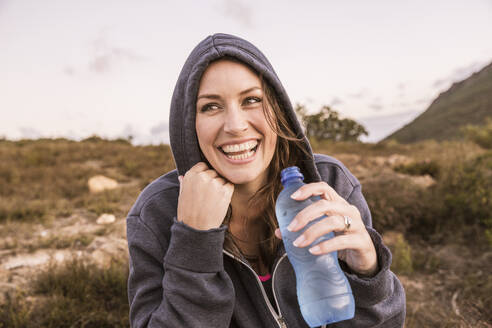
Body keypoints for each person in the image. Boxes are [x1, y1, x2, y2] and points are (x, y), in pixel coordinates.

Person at [126, 33, 406, 328]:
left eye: (252, 100)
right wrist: (194, 242)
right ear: (187, 123)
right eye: (210, 106)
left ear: (278, 108)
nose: (235, 126)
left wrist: (368, 275)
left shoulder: (329, 183)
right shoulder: (156, 213)